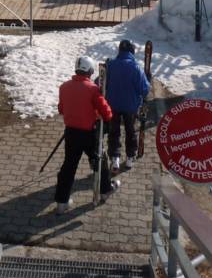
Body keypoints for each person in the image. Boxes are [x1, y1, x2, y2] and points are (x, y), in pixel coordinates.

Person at [54, 56, 118, 214]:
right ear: (89, 71)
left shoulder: (64, 87)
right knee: (100, 160)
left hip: (71, 133)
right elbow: (107, 113)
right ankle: (105, 190)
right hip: (89, 134)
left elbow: (61, 109)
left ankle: (61, 202)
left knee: (68, 167)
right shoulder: (92, 89)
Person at [105, 40, 150, 172]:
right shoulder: (135, 67)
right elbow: (144, 89)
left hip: (113, 105)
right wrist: (148, 80)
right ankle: (130, 158)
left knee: (114, 132)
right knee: (130, 131)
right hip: (130, 106)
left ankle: (115, 159)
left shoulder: (111, 65)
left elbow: (101, 83)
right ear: (132, 52)